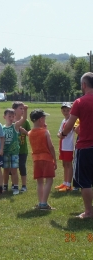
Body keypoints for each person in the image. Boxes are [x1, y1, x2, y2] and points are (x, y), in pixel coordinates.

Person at [62, 72, 93, 219]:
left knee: (85, 181)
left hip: (86, 146)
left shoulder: (80, 102)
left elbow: (69, 125)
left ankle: (88, 212)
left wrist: (62, 134)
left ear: (84, 85)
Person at [28, 109, 57, 210]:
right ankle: (44, 203)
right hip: (46, 158)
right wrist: (55, 159)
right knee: (49, 180)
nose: (45, 120)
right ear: (40, 119)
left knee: (39, 182)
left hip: (36, 159)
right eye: (44, 118)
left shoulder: (30, 133)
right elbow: (51, 146)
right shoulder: (45, 132)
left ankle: (41, 202)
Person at [2, 105, 28, 195]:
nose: (11, 118)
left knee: (14, 170)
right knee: (5, 170)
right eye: (9, 116)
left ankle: (16, 187)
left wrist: (25, 110)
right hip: (5, 153)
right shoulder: (2, 128)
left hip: (14, 153)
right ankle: (4, 186)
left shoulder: (15, 126)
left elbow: (23, 119)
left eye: (13, 116)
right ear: (4, 117)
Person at [55, 102, 75, 191]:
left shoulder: (71, 121)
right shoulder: (64, 120)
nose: (66, 112)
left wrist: (60, 135)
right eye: (64, 110)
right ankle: (64, 182)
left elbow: (65, 133)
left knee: (68, 164)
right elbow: (59, 132)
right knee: (64, 164)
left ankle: (68, 184)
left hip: (68, 146)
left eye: (68, 110)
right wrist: (59, 135)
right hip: (62, 145)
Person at [12, 101, 31, 192]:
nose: (22, 110)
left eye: (23, 108)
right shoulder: (11, 121)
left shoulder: (25, 122)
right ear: (14, 110)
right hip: (13, 150)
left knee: (22, 166)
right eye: (21, 108)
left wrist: (25, 132)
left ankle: (24, 185)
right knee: (13, 168)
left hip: (23, 150)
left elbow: (31, 134)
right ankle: (14, 184)